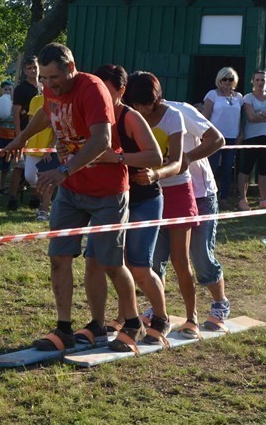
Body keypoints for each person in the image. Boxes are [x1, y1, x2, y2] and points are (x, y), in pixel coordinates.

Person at [3, 43, 142, 354]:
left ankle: (132, 323)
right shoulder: (53, 89)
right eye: (44, 79)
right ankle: (64, 328)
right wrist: (21, 138)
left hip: (107, 191)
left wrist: (64, 170)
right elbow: (45, 112)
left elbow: (101, 140)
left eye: (53, 78)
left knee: (109, 263)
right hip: (71, 190)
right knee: (58, 258)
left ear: (70, 67)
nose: (49, 85)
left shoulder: (91, 89)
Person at [89, 65, 166, 343]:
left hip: (144, 199)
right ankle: (113, 320)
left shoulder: (130, 117)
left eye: (106, 91)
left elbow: (155, 157)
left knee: (140, 267)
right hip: (109, 199)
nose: (99, 97)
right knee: (102, 261)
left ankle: (160, 318)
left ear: (121, 91)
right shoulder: (93, 116)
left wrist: (118, 158)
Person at [125, 71, 201, 339]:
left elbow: (178, 162)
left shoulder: (173, 116)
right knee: (148, 261)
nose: (140, 109)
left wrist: (155, 174)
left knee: (181, 259)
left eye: (144, 103)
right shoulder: (131, 114)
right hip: (145, 195)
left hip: (177, 190)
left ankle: (192, 317)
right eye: (135, 103)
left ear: (155, 98)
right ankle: (153, 314)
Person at [161, 100, 231, 333]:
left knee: (200, 255)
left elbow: (217, 139)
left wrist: (188, 158)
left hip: (201, 194)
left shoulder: (182, 110)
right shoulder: (134, 116)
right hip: (163, 194)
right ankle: (157, 310)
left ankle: (220, 304)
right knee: (155, 257)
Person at [237, 70, 266, 211]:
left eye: (263, 80)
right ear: (253, 81)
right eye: (257, 79)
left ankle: (263, 199)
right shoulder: (248, 98)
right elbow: (251, 117)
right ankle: (242, 199)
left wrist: (261, 113)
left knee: (264, 169)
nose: (260, 82)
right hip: (252, 137)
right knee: (247, 168)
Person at [202, 67, 242, 203]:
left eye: (230, 79)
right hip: (215, 137)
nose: (227, 81)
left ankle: (224, 197)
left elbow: (240, 117)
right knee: (211, 167)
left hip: (232, 137)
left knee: (227, 168)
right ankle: (208, 196)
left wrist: (240, 135)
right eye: (224, 78)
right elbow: (205, 117)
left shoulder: (239, 97)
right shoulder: (212, 95)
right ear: (219, 80)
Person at [8, 55, 40, 211]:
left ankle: (34, 196)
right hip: (25, 132)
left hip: (41, 134)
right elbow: (16, 112)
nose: (33, 71)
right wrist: (19, 134)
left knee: (38, 166)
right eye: (29, 68)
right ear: (24, 71)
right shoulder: (21, 89)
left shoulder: (44, 86)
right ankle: (12, 196)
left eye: (35, 67)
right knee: (20, 166)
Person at [22, 91, 56, 221]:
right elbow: (32, 124)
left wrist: (51, 148)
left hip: (50, 148)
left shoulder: (58, 101)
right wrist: (24, 139)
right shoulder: (35, 100)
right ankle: (45, 204)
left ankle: (43, 210)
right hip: (34, 144)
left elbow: (57, 129)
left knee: (48, 181)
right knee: (30, 176)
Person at [0, 80, 15, 196]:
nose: (8, 91)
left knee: (6, 164)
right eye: (5, 89)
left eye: (10, 89)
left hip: (11, 138)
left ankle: (3, 186)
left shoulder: (15, 105)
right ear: (1, 91)